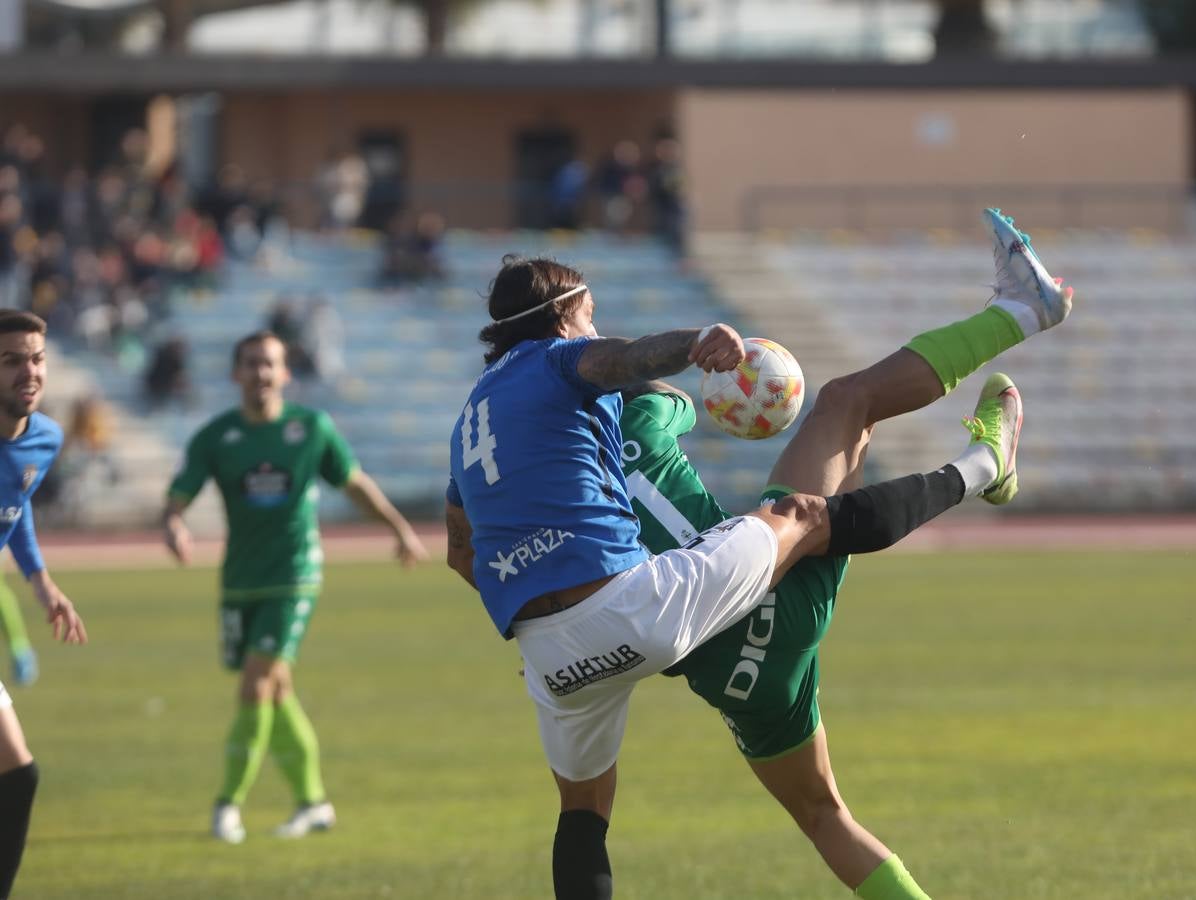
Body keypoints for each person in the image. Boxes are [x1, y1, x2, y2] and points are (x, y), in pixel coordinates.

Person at [441, 212, 1070, 900]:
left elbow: (460, 553)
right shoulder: (580, 374)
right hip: (657, 608)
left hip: (571, 653)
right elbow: (624, 362)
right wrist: (697, 344)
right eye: (587, 315)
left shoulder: (475, 424)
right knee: (812, 495)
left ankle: (987, 441)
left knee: (588, 814)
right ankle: (984, 456)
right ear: (564, 317)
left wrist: (544, 602)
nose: (591, 328)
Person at [162, 331, 429, 844]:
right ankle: (314, 803)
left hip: (295, 574)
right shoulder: (216, 436)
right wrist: (173, 522)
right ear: (235, 373)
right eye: (251, 364)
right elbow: (179, 495)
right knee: (277, 692)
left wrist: (399, 529)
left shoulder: (311, 428)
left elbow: (353, 481)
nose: (261, 373)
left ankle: (227, 806)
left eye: (270, 364)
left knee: (256, 685)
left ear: (285, 374)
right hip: (240, 579)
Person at [0, 310, 87, 899]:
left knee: (18, 775)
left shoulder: (45, 438)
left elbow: (18, 499)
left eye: (35, 358)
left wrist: (42, 581)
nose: (28, 372)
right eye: (10, 362)